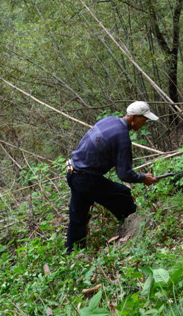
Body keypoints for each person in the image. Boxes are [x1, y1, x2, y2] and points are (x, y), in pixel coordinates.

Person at [65, 101, 159, 253]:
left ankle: (72, 254)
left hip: (73, 173)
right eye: (144, 119)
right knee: (123, 195)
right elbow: (124, 174)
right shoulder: (122, 137)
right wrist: (143, 178)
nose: (145, 123)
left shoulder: (110, 120)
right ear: (134, 118)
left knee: (78, 218)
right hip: (86, 179)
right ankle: (134, 233)